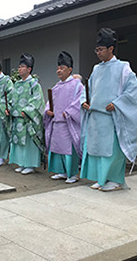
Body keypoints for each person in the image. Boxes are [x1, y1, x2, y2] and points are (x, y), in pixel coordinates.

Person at [80, 28, 137, 191]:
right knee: (96, 149)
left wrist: (117, 103)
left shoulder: (123, 68)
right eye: (97, 49)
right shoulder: (96, 69)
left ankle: (116, 180)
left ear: (111, 49)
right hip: (95, 116)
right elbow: (88, 89)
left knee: (112, 151)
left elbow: (133, 91)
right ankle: (101, 179)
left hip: (112, 117)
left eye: (101, 49)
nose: (98, 53)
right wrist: (84, 102)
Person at [44, 51, 83, 183]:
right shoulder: (56, 87)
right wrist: (48, 110)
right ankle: (61, 171)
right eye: (58, 68)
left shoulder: (77, 85)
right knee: (57, 149)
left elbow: (79, 101)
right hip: (56, 123)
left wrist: (69, 112)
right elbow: (49, 103)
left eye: (62, 68)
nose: (59, 71)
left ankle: (72, 174)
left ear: (70, 70)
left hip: (68, 123)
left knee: (68, 150)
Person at [6, 53, 44, 174]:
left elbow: (37, 100)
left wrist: (27, 111)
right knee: (18, 142)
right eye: (19, 66)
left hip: (27, 119)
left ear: (29, 69)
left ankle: (30, 164)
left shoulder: (34, 84)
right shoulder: (16, 84)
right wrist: (8, 108)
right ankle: (22, 163)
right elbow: (12, 99)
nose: (19, 69)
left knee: (28, 142)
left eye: (22, 67)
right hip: (17, 118)